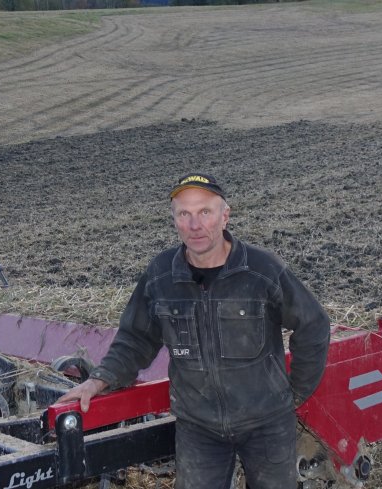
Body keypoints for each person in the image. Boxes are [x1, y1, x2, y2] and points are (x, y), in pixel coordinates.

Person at [56, 172, 331, 488]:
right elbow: (135, 338)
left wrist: (294, 392)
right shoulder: (161, 275)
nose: (195, 224)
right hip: (199, 429)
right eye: (184, 214)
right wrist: (98, 380)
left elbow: (313, 325)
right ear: (174, 220)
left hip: (266, 424)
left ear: (224, 216)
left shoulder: (261, 270)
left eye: (205, 212)